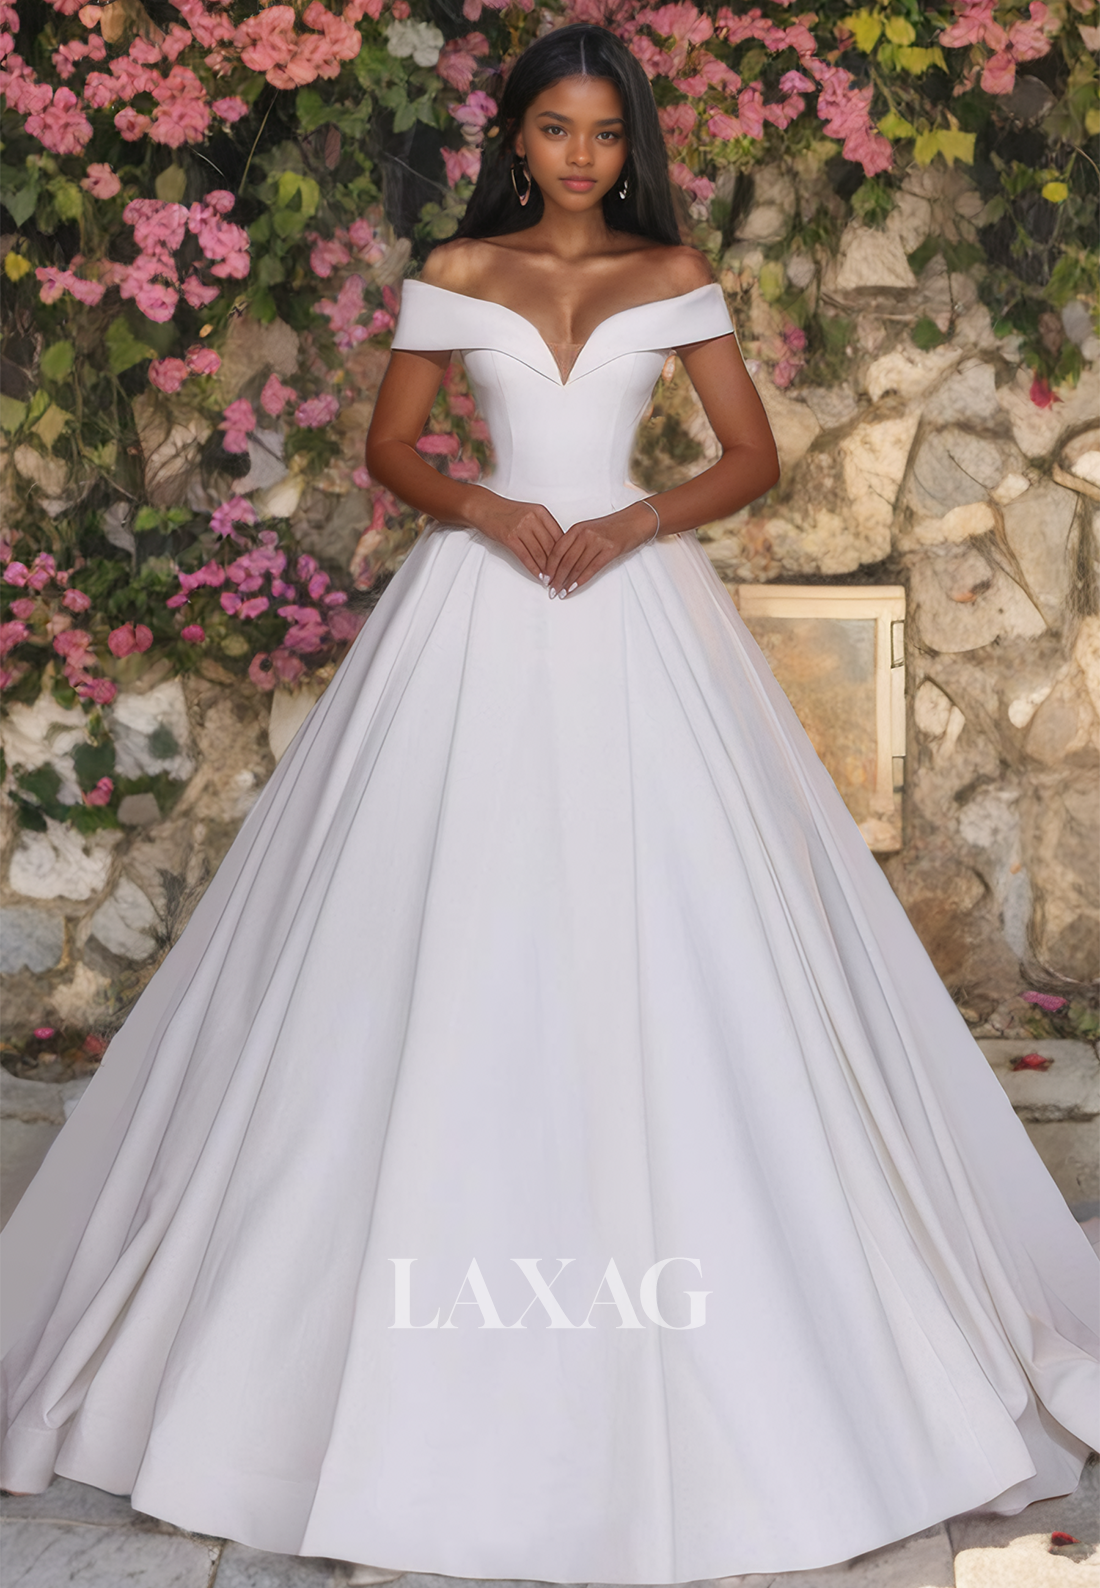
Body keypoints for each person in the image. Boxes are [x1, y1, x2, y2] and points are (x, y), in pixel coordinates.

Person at [3, 19, 1100, 1585]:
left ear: (627, 143)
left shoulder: (672, 272)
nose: (581, 156)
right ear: (514, 136)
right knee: (431, 926)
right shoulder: (460, 267)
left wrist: (635, 521)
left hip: (633, 600)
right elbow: (391, 446)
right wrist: (491, 509)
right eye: (556, 130)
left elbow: (749, 455)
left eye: (605, 133)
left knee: (677, 932)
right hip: (483, 599)